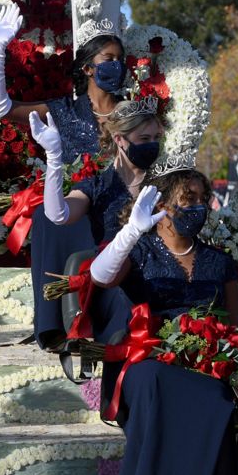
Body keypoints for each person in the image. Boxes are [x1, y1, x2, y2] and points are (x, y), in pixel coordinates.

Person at [89, 169, 238, 475]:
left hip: (202, 362)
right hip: (146, 357)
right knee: (161, 383)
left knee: (217, 394)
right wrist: (132, 232)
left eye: (202, 200)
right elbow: (99, 275)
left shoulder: (220, 262)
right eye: (187, 199)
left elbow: (233, 329)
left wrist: (224, 357)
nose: (197, 207)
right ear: (162, 204)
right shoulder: (138, 251)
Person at [30, 97, 163, 349]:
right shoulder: (100, 184)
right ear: (119, 139)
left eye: (156, 138)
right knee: (126, 306)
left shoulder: (167, 180)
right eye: (144, 139)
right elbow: (59, 215)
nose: (152, 145)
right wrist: (54, 157)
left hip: (158, 268)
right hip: (113, 276)